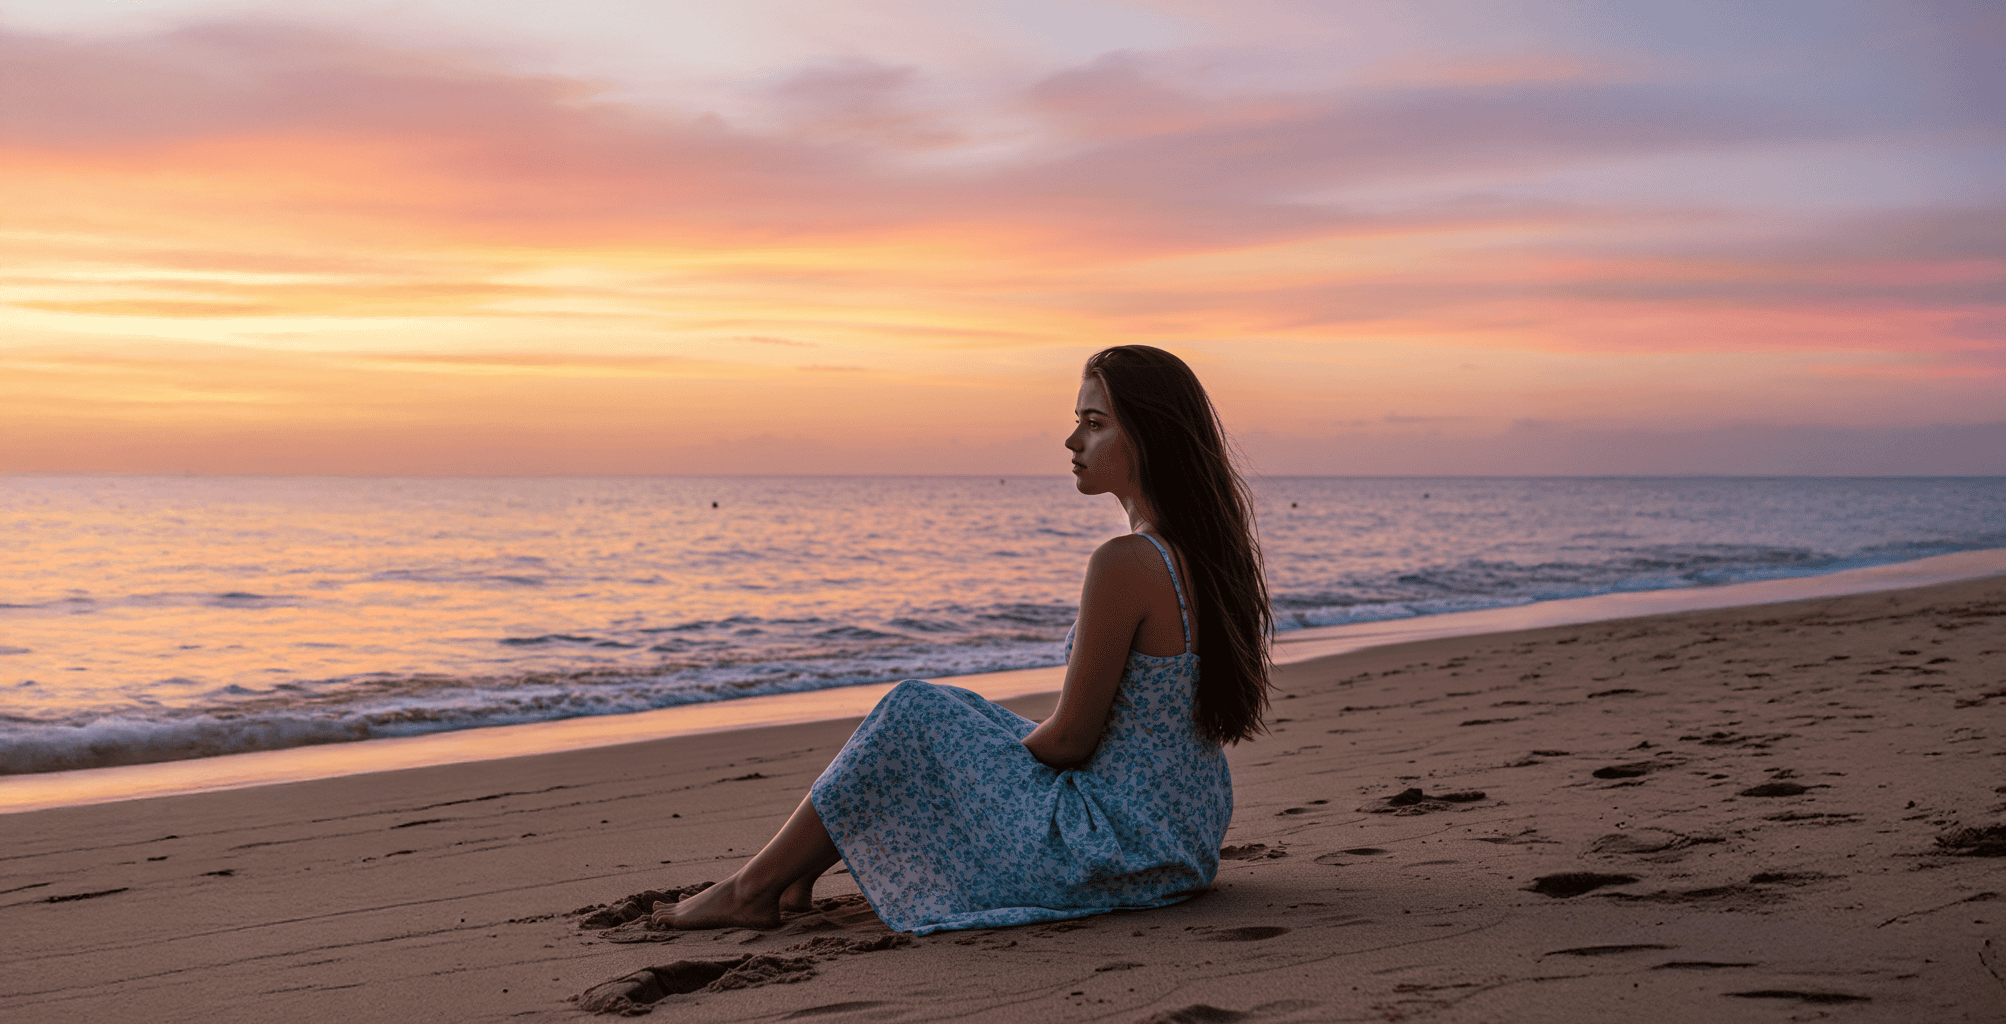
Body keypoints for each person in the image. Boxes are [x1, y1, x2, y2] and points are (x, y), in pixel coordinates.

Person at [654, 345, 1272, 935]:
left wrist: (971, 763)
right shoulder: (1203, 553)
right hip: (1179, 839)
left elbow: (1071, 740)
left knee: (914, 713)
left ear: (1149, 436)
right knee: (955, 712)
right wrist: (981, 743)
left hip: (1115, 849)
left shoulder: (1127, 561)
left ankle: (752, 890)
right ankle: (791, 878)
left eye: (1094, 423)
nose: (1072, 441)